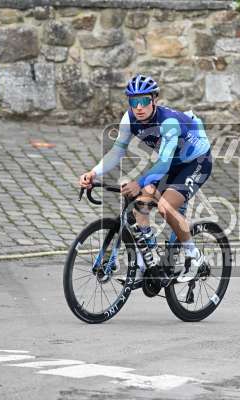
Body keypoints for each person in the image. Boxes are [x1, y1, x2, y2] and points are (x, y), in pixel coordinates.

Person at [79, 74, 212, 283]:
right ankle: (146, 265)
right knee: (140, 205)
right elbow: (117, 151)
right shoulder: (129, 118)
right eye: (134, 102)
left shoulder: (169, 122)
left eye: (144, 101)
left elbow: (164, 164)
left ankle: (196, 258)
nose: (139, 107)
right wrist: (94, 172)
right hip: (171, 161)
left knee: (165, 207)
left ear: (154, 100)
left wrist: (139, 183)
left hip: (196, 162)